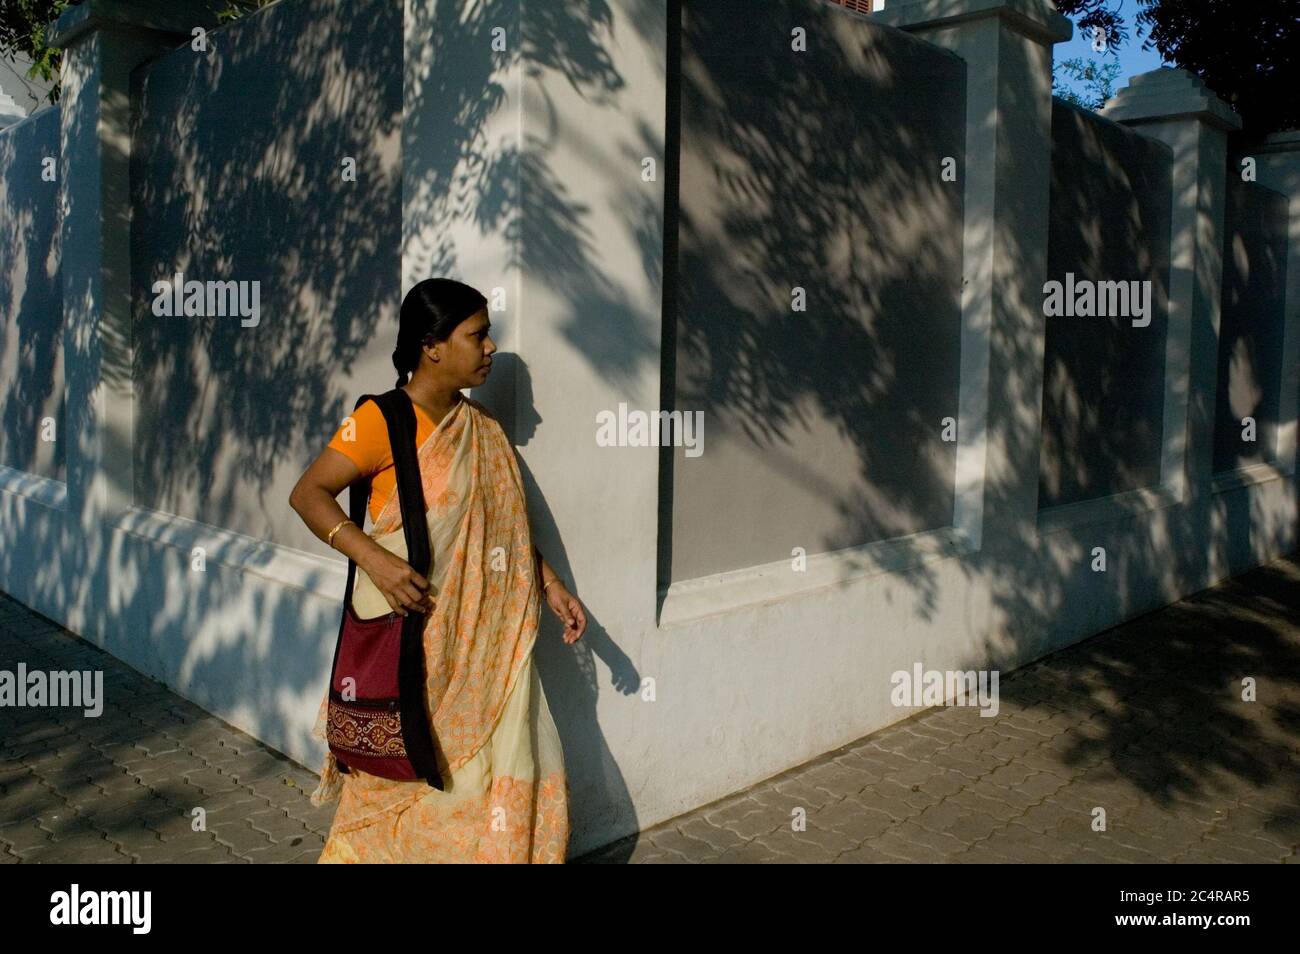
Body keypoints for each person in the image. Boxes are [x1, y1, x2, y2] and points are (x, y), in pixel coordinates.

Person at [288, 278, 587, 862]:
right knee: (404, 784)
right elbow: (309, 494)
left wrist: (550, 584)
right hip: (415, 642)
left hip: (484, 648)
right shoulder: (382, 420)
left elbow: (502, 528)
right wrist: (376, 560)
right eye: (477, 335)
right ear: (432, 346)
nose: (490, 348)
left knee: (480, 785)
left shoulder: (484, 432)